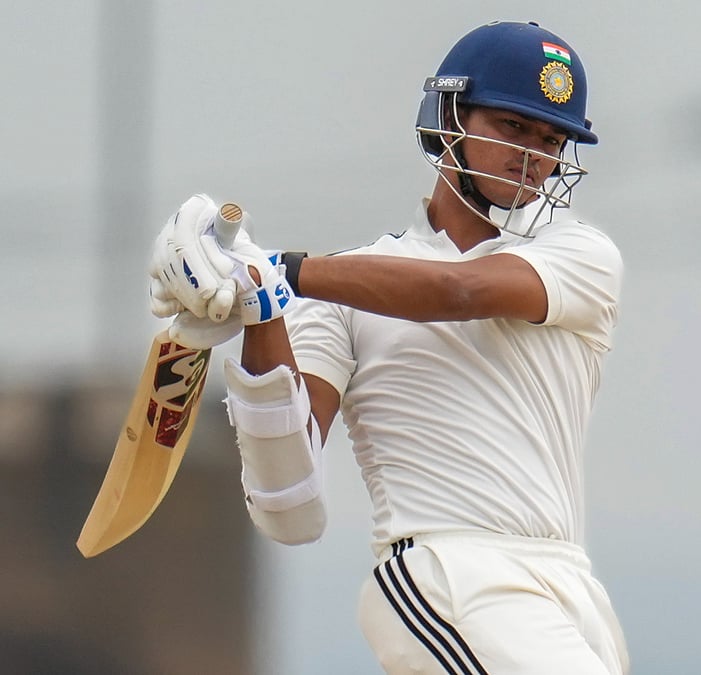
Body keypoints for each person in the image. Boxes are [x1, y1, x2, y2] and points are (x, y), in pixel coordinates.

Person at [148, 20, 629, 675]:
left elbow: (456, 292)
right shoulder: (340, 287)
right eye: (513, 126)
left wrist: (278, 268)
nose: (533, 155)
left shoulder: (580, 255)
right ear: (449, 115)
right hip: (446, 573)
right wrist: (261, 305)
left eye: (550, 138)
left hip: (570, 586)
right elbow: (287, 508)